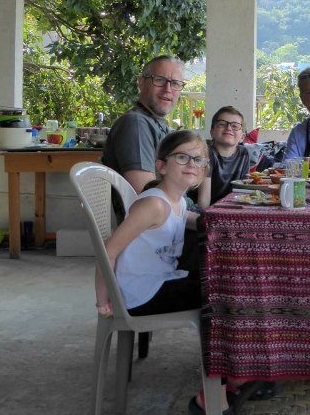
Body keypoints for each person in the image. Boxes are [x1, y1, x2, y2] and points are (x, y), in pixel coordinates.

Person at [93, 130, 231, 415]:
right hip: (142, 294)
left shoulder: (178, 201)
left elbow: (192, 220)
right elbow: (109, 250)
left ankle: (229, 380)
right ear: (161, 165)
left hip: (161, 282)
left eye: (199, 160)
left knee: (227, 283)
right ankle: (216, 394)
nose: (192, 164)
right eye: (182, 157)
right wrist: (103, 301)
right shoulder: (153, 204)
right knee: (223, 298)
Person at [103, 55, 186, 220]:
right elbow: (145, 194)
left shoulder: (156, 123)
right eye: (159, 80)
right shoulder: (136, 124)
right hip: (147, 231)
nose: (168, 89)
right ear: (141, 82)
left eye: (175, 83)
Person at [193, 106, 252, 207]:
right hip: (200, 209)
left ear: (242, 137)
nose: (228, 128)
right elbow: (203, 201)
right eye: (222, 124)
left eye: (235, 126)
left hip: (227, 207)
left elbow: (243, 191)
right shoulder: (206, 152)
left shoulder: (244, 153)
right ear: (212, 132)